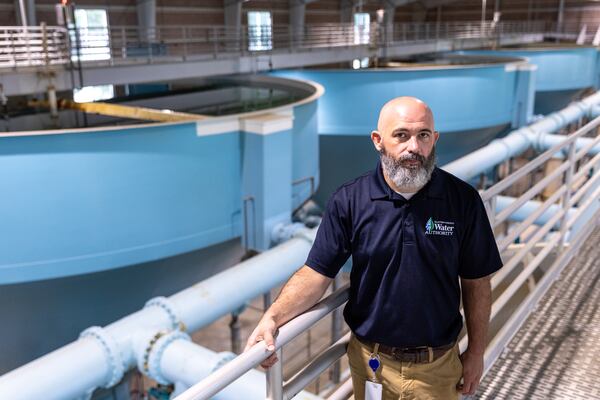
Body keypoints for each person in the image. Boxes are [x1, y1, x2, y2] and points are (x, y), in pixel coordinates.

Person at [245, 97, 503, 399]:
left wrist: (475, 351)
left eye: (423, 136)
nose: (414, 147)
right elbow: (316, 274)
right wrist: (273, 317)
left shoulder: (462, 201)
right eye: (401, 135)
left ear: (434, 140)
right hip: (372, 366)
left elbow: (476, 283)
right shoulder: (350, 201)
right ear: (378, 141)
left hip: (439, 367)